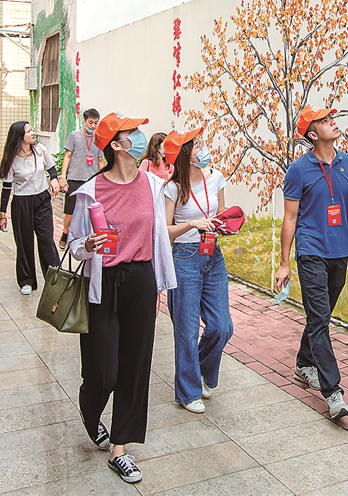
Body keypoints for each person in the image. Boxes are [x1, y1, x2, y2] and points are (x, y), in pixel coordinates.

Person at [67, 113, 176, 484]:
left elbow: (160, 235)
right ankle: (90, 406)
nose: (142, 136)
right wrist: (86, 245)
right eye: (133, 133)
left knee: (135, 366)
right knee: (104, 372)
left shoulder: (152, 184)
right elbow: (74, 244)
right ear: (116, 145)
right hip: (104, 282)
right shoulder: (91, 189)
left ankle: (120, 448)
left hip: (140, 280)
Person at [275, 105, 348, 420]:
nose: (332, 122)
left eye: (331, 118)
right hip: (311, 251)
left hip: (339, 251)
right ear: (313, 134)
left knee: (321, 316)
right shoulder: (298, 170)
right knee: (320, 319)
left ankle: (304, 363)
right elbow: (290, 218)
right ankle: (333, 392)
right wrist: (284, 262)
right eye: (324, 120)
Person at [162, 127, 233, 414]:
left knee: (221, 326)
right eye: (196, 145)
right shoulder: (172, 188)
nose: (203, 148)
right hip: (185, 257)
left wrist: (225, 225)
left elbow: (222, 215)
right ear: (185, 155)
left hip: (213, 255)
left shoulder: (215, 177)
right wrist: (192, 224)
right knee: (187, 331)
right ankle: (188, 391)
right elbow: (165, 232)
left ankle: (200, 371)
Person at [0, 121, 61, 295]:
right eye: (28, 131)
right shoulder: (11, 159)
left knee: (46, 240)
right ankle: (26, 281)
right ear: (20, 136)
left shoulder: (40, 149)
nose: (32, 133)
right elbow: (6, 187)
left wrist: (54, 179)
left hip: (42, 200)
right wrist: (3, 214)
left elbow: (51, 168)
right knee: (24, 242)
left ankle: (55, 278)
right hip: (22, 203)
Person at [58, 108, 103, 248]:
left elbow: (100, 160)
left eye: (96, 123)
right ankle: (65, 233)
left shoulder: (99, 138)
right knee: (69, 211)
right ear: (84, 121)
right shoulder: (74, 135)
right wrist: (63, 176)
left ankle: (87, 236)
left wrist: (103, 179)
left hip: (91, 180)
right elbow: (67, 156)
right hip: (74, 179)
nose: (93, 126)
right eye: (90, 122)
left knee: (91, 210)